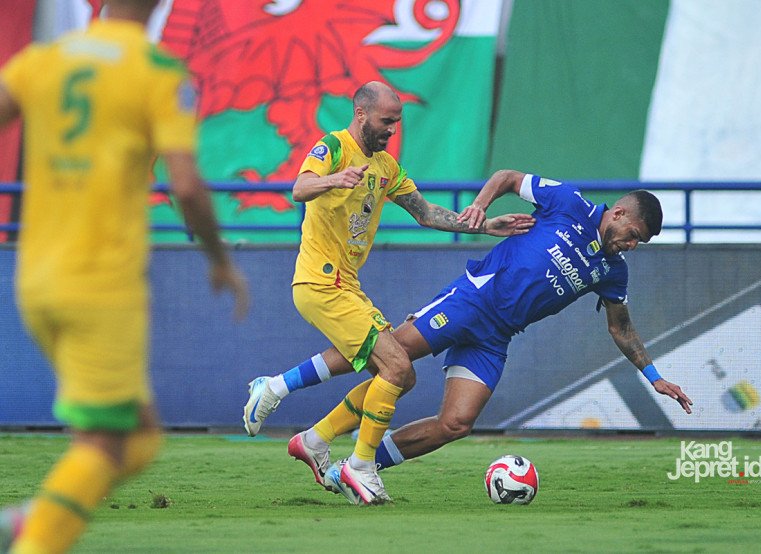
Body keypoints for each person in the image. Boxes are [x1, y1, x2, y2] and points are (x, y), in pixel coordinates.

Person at [248, 169, 693, 505]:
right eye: (633, 235)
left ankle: (352, 467)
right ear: (619, 214)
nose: (631, 245)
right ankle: (280, 388)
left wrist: (653, 376)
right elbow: (507, 177)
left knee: (456, 423)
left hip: (495, 337)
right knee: (389, 356)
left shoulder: (612, 271)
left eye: (639, 243)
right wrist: (479, 207)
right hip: (471, 302)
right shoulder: (569, 203)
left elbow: (621, 327)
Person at [0, 1, 249, 552]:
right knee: (105, 445)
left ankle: (28, 523)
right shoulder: (158, 72)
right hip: (100, 284)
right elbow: (186, 185)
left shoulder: (45, 59)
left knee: (138, 440)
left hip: (33, 278)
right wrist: (220, 260)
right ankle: (34, 538)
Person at [243, 81, 535, 504]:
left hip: (347, 285)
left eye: (397, 121)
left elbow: (426, 213)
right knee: (395, 366)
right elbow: (299, 188)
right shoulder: (334, 146)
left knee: (401, 375)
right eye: (386, 121)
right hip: (320, 282)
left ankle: (312, 435)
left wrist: (483, 225)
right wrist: (335, 179)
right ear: (361, 114)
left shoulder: (386, 167)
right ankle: (360, 466)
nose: (392, 129)